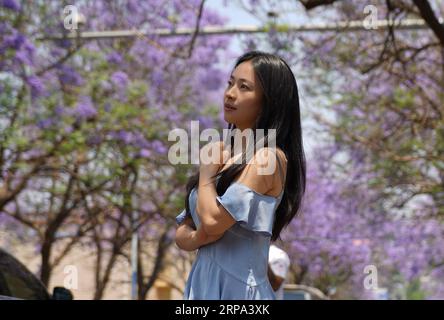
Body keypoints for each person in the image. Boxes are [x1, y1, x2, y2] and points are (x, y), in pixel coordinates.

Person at [174, 50, 306, 300]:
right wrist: (197, 238)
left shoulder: (269, 158)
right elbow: (186, 227)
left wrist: (207, 176)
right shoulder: (225, 154)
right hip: (203, 285)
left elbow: (213, 221)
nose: (230, 93)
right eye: (230, 83)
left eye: (244, 87)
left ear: (269, 101)